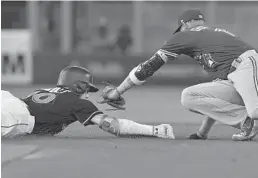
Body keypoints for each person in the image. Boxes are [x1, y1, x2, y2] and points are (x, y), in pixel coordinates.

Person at [99, 9, 258, 141]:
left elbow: (148, 67)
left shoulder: (185, 35)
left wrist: (117, 91)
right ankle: (245, 122)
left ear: (185, 24)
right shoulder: (212, 43)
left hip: (247, 65)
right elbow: (216, 103)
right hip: (236, 74)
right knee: (189, 96)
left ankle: (251, 118)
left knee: (255, 111)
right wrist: (202, 133)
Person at [1, 66, 175, 139]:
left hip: (10, 99)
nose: (87, 95)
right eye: (87, 90)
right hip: (19, 115)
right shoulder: (77, 103)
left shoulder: (45, 91)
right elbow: (111, 125)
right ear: (78, 86)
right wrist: (155, 130)